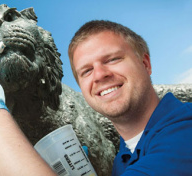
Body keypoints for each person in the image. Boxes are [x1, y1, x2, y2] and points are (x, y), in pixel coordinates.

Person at [68, 20, 192, 175]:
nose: (99, 75)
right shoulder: (122, 159)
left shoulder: (186, 128)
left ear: (145, 64)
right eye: (86, 71)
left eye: (112, 59)